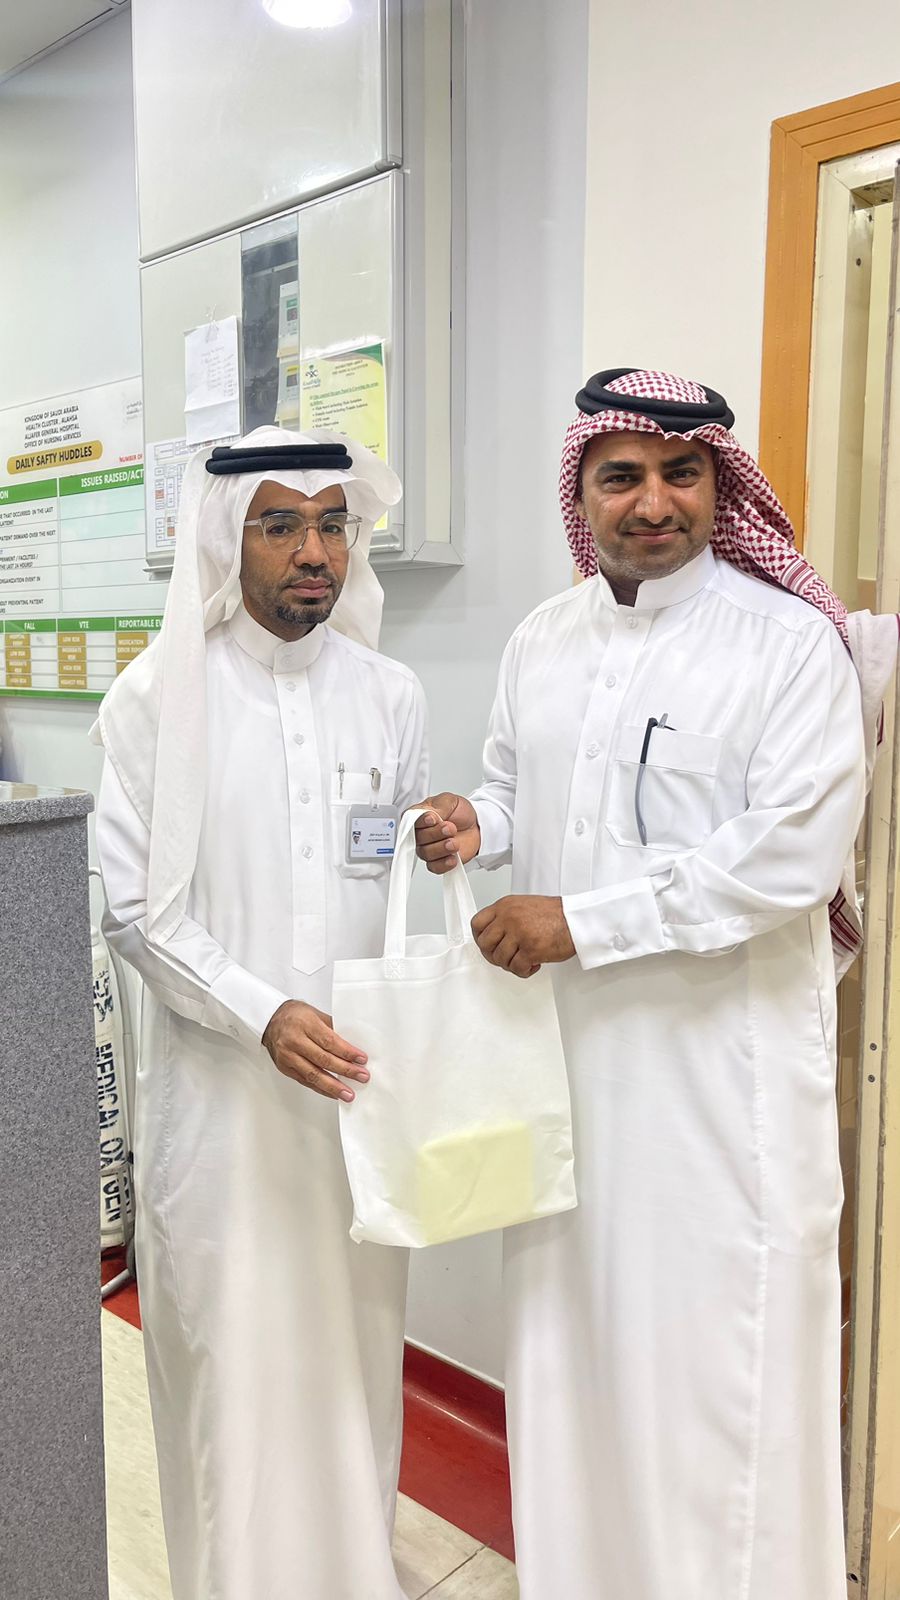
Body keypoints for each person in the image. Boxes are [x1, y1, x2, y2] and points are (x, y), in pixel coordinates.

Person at [414, 369, 898, 1600]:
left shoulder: (787, 644)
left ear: (719, 485)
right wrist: (482, 823)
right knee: (574, 1371)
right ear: (580, 489)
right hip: (568, 1084)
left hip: (719, 1102)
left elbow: (787, 863)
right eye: (621, 476)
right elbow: (523, 787)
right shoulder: (546, 637)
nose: (653, 501)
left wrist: (579, 922)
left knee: (718, 1399)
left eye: (682, 474)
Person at [95, 427, 428, 1600]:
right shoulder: (156, 699)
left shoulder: (390, 695)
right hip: (220, 1114)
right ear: (227, 538)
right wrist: (259, 1013)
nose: (313, 552)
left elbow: (392, 880)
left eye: (332, 524)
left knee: (354, 1365)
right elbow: (135, 911)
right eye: (280, 524)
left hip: (353, 1104)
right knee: (230, 1373)